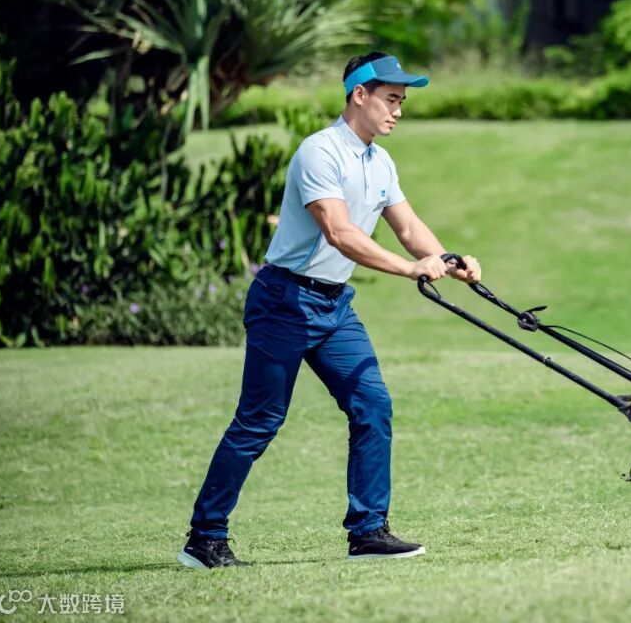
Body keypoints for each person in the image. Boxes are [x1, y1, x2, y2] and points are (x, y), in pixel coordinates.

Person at [177, 52, 481, 569]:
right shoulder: (320, 152)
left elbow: (409, 228)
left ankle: (368, 532)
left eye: (402, 102)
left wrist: (449, 260)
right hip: (284, 301)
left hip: (334, 305)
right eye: (391, 99)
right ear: (359, 94)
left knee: (373, 405)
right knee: (259, 421)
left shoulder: (380, 162)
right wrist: (410, 269)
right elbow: (339, 233)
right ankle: (204, 539)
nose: (398, 111)